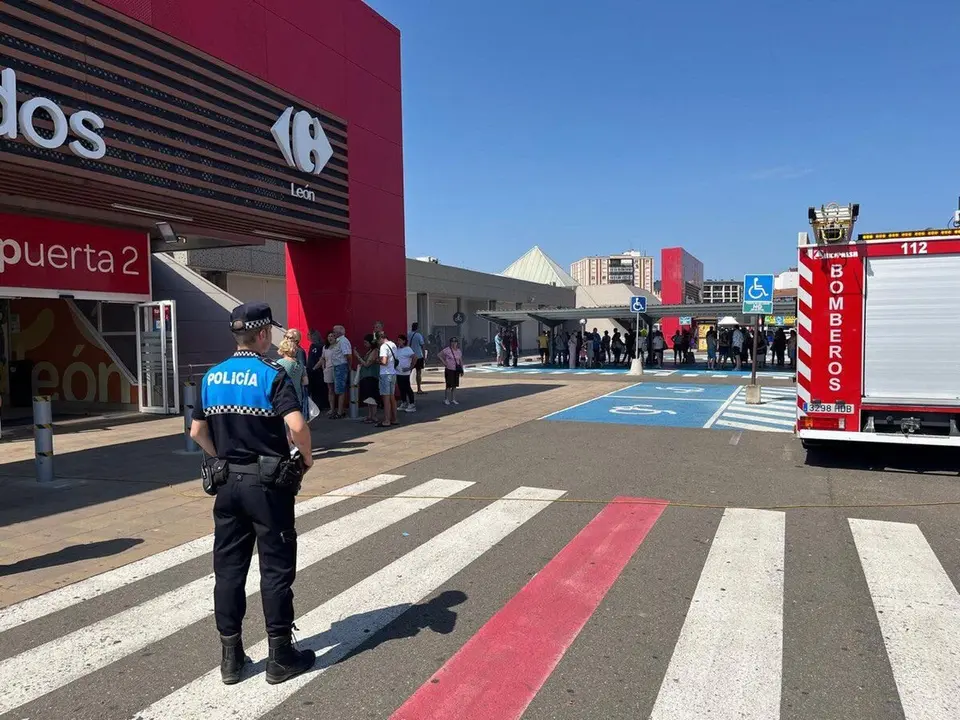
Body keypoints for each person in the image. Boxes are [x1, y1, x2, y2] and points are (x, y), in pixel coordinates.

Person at [189, 302, 316, 686]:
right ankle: (280, 655)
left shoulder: (211, 377)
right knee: (275, 569)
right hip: (268, 487)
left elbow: (197, 432)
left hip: (227, 486)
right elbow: (297, 424)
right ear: (262, 335)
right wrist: (306, 459)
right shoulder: (271, 374)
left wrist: (221, 458)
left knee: (228, 571)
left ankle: (231, 658)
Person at [276, 339, 308, 416]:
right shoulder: (300, 363)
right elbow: (306, 381)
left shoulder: (279, 363)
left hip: (284, 395)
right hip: (297, 395)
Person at [354, 334, 381, 424]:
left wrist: (357, 356)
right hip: (367, 376)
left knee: (372, 397)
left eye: (366, 342)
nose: (364, 344)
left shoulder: (375, 351)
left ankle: (374, 416)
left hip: (371, 376)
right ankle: (370, 415)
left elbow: (367, 364)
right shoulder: (370, 351)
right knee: (368, 398)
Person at [377, 331, 399, 427]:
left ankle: (386, 420)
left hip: (385, 374)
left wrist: (377, 361)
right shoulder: (393, 344)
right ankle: (394, 418)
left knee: (385, 398)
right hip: (393, 373)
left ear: (380, 338)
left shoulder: (383, 346)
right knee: (392, 397)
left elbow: (384, 361)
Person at [330, 325, 351, 419]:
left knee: (341, 389)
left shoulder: (343, 341)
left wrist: (349, 366)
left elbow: (348, 355)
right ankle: (340, 410)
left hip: (341, 366)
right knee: (338, 389)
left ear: (339, 332)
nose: (333, 333)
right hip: (337, 366)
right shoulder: (338, 341)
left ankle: (340, 411)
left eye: (334, 331)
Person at [395, 333, 417, 413]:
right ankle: (404, 402)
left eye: (400, 340)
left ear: (404, 341)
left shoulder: (408, 349)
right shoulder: (397, 349)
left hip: (405, 373)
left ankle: (412, 403)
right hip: (398, 372)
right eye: (398, 340)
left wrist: (410, 367)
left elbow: (415, 357)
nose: (398, 342)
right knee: (401, 388)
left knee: (407, 388)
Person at [438, 336, 463, 406]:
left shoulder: (458, 351)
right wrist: (444, 362)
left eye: (455, 342)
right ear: (450, 343)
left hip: (456, 370)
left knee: (454, 385)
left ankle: (453, 399)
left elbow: (460, 360)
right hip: (449, 369)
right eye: (452, 341)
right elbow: (439, 355)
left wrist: (462, 369)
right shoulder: (447, 350)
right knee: (448, 385)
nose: (454, 343)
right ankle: (446, 399)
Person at [319, 331, 336, 414]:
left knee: (339, 390)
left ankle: (340, 409)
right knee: (330, 390)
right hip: (328, 370)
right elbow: (322, 358)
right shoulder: (325, 347)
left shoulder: (337, 346)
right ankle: (332, 409)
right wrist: (323, 367)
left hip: (337, 369)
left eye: (332, 336)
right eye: (329, 336)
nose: (330, 337)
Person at [409, 322, 427, 394]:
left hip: (409, 356)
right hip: (418, 356)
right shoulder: (418, 335)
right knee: (418, 372)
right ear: (417, 328)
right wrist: (424, 356)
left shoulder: (408, 334)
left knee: (408, 372)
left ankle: (408, 388)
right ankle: (419, 389)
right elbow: (423, 346)